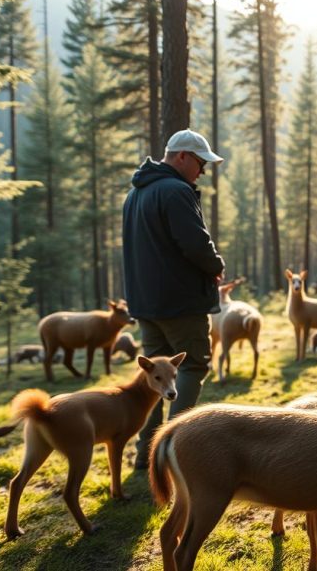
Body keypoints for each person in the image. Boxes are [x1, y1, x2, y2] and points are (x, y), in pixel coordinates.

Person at [122, 129, 225, 469]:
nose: (203, 172)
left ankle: (145, 455)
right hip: (181, 300)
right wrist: (215, 265)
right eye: (200, 163)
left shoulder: (135, 194)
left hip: (146, 302)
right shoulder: (177, 191)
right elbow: (195, 243)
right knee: (191, 366)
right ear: (181, 156)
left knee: (154, 375)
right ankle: (173, 453)